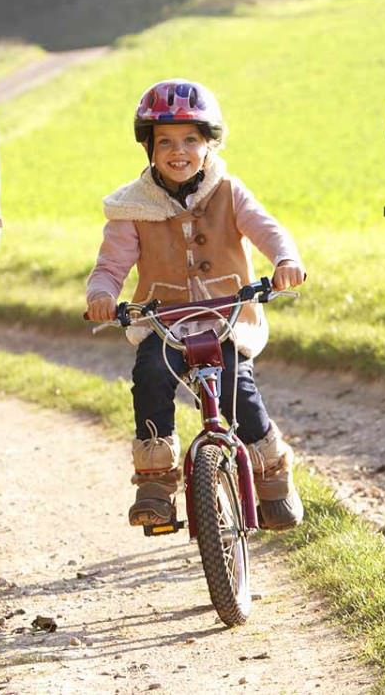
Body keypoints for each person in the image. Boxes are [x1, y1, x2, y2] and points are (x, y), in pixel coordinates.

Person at [86, 79, 307, 531]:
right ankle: (156, 484)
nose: (178, 151)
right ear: (149, 148)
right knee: (149, 375)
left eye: (191, 139)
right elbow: (111, 265)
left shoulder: (229, 191)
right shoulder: (133, 206)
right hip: (163, 322)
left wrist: (285, 260)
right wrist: (102, 295)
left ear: (209, 145)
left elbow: (268, 230)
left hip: (226, 319)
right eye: (164, 142)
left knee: (238, 393)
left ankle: (270, 480)